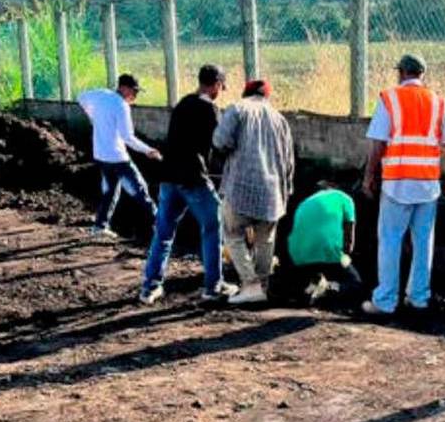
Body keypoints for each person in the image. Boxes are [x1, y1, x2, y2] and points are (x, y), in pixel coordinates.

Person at [361, 53, 445, 315]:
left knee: (390, 240)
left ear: (401, 72)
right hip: (427, 185)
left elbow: (378, 144)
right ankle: (418, 298)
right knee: (423, 242)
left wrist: (369, 177)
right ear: (422, 74)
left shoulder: (389, 99)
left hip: (397, 184)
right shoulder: (438, 102)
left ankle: (385, 301)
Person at [139, 65, 234, 306]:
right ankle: (213, 286)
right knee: (213, 225)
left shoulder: (183, 103)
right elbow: (217, 146)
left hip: (168, 177)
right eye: (221, 87)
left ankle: (150, 287)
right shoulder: (210, 110)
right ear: (216, 85)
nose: (220, 92)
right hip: (192, 178)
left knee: (163, 233)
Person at [212, 79, 295, 305]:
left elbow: (220, 141)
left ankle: (250, 285)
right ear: (267, 96)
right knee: (265, 239)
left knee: (233, 234)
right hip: (272, 191)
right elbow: (289, 161)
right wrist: (287, 190)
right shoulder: (280, 119)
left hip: (240, 187)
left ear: (246, 93)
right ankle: (263, 285)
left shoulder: (237, 109)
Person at [77, 74, 160, 238]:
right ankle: (161, 224)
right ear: (123, 88)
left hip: (101, 154)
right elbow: (128, 137)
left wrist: (92, 116)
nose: (135, 95)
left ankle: (100, 227)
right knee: (140, 190)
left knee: (110, 191)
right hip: (118, 157)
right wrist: (148, 150)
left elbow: (81, 97)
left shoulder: (102, 95)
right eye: (133, 91)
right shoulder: (121, 106)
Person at [286, 180, 364, 306]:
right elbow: (349, 240)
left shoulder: (306, 202)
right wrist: (346, 257)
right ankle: (327, 288)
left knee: (315, 270)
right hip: (328, 252)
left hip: (298, 255)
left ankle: (312, 287)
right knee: (356, 284)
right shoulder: (345, 198)